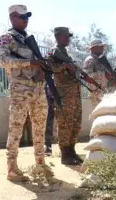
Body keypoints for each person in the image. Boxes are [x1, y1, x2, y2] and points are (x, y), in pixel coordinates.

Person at [0, 4, 49, 181]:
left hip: (38, 88)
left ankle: (40, 164)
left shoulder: (28, 39)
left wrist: (41, 69)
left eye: (27, 17)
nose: (26, 20)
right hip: (20, 89)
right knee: (16, 128)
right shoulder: (7, 37)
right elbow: (4, 61)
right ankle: (12, 169)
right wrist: (30, 63)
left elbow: (36, 63)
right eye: (22, 17)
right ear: (13, 17)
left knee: (40, 127)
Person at [45, 27, 83, 165]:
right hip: (64, 95)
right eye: (66, 36)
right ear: (58, 36)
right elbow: (47, 67)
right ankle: (64, 154)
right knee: (65, 124)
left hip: (75, 93)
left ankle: (71, 150)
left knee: (75, 123)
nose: (68, 39)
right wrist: (64, 66)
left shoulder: (66, 53)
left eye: (69, 36)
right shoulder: (53, 52)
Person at [82, 40, 116, 109]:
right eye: (100, 46)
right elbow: (86, 76)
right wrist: (103, 74)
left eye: (102, 46)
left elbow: (108, 74)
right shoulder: (90, 60)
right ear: (94, 48)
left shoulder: (100, 59)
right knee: (99, 113)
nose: (102, 48)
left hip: (103, 90)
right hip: (96, 92)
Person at [44, 84, 55, 156]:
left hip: (55, 97)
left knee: (50, 124)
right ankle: (47, 146)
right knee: (48, 124)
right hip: (46, 99)